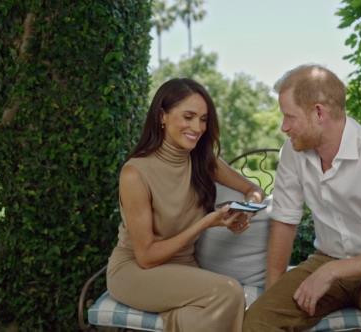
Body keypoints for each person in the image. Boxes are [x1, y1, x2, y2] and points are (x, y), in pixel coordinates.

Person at [243, 65, 361, 332]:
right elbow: (284, 222)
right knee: (259, 320)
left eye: (289, 117)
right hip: (326, 258)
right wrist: (274, 293)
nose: (284, 127)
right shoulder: (294, 154)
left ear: (319, 112)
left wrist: (334, 271)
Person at [106, 78, 264, 332]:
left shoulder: (203, 160)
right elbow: (146, 256)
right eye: (188, 117)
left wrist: (245, 209)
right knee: (230, 292)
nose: (198, 127)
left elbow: (254, 189)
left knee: (222, 313)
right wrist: (207, 222)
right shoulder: (135, 173)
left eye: (203, 119)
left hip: (183, 269)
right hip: (136, 271)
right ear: (162, 116)